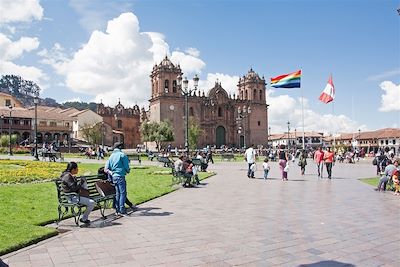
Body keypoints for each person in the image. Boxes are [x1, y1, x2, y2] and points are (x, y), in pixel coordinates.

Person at [105, 142, 130, 216]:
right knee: (123, 193)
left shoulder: (111, 156)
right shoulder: (122, 155)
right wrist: (127, 170)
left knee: (117, 193)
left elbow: (106, 168)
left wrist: (112, 173)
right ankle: (122, 210)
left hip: (114, 177)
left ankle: (117, 209)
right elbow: (126, 166)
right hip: (120, 176)